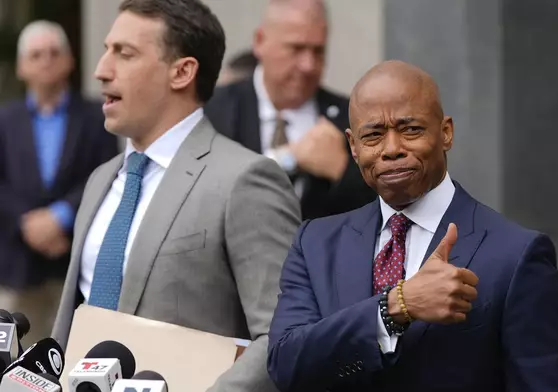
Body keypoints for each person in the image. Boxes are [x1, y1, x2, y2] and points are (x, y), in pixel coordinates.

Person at [267, 60, 558, 391]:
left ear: (446, 132)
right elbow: (286, 365)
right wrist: (396, 307)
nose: (392, 149)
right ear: (354, 147)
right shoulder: (315, 243)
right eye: (373, 135)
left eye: (410, 129)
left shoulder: (515, 255)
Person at [51, 1, 300, 391]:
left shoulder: (245, 179)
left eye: (125, 53)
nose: (101, 70)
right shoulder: (101, 180)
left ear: (182, 71)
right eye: (106, 50)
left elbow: (284, 336)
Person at [0, 20, 118, 346]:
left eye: (54, 52)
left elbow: (106, 172)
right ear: (22, 66)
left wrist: (60, 217)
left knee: (73, 352)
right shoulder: (5, 121)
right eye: (36, 54)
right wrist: (28, 223)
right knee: (15, 359)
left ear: (70, 61)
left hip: (75, 258)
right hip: (18, 266)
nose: (46, 60)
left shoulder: (98, 116)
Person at [204, 0, 375, 220]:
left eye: (318, 51)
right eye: (296, 48)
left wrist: (342, 171)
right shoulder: (211, 110)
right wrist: (291, 157)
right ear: (260, 41)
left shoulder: (352, 117)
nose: (309, 65)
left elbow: (381, 211)